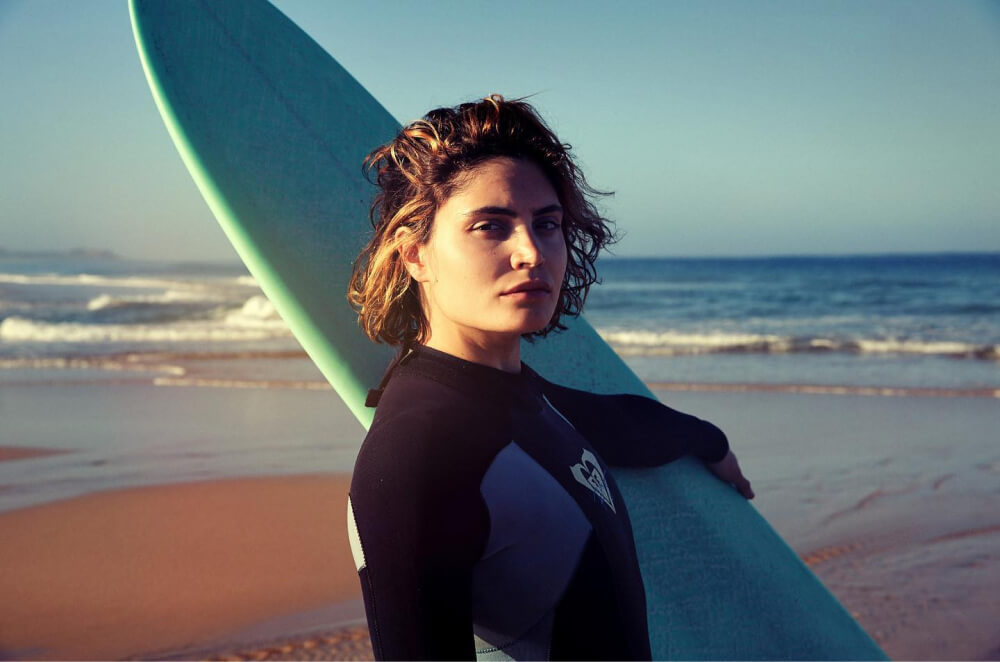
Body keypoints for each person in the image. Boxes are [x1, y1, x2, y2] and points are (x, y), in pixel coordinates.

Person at [346, 95, 753, 661]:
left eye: (548, 225)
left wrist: (710, 442)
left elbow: (612, 424)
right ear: (415, 254)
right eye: (491, 227)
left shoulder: (514, 398)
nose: (532, 253)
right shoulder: (415, 453)